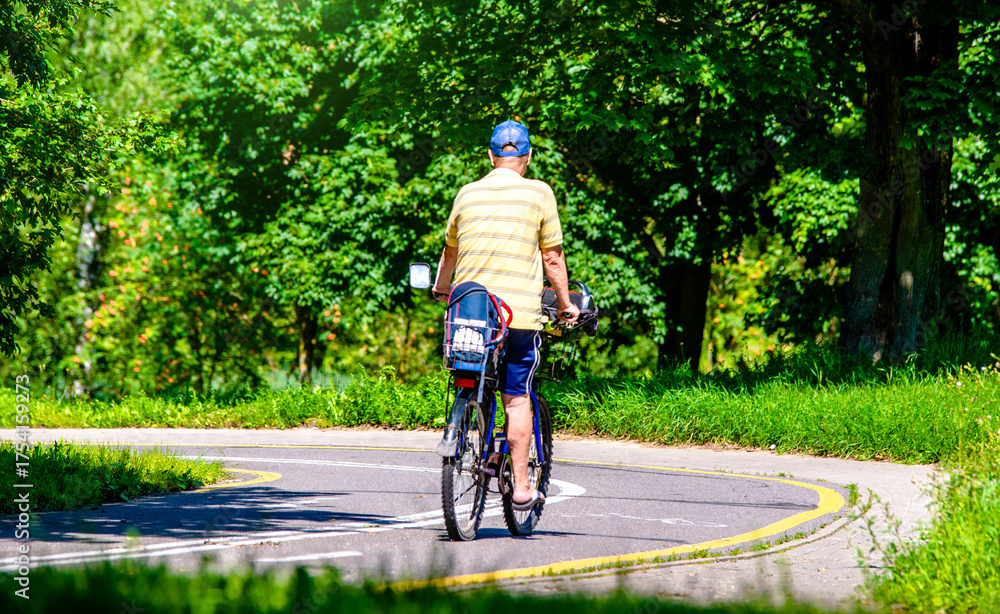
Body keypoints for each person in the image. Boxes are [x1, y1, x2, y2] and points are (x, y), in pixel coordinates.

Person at [432, 119, 580, 510]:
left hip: (470, 316)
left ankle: (469, 426)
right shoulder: (539, 193)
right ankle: (520, 488)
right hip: (518, 319)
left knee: (473, 376)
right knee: (516, 398)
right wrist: (565, 305)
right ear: (527, 156)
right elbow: (551, 255)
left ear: (490, 156)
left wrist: (441, 288)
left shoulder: (466, 194)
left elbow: (450, 252)